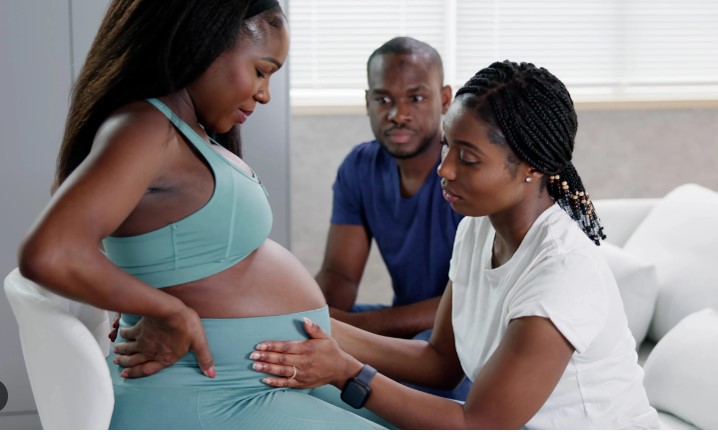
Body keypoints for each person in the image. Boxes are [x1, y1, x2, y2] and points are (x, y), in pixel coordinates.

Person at [18, 0, 388, 429]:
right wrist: (168, 311)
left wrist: (139, 291)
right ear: (204, 44)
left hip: (245, 383)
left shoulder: (187, 132)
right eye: (261, 70)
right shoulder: (146, 128)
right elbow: (50, 252)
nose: (264, 93)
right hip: (207, 394)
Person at [250, 60, 660, 429]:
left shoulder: (562, 274)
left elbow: (477, 424)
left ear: (532, 167)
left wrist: (346, 372)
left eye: (468, 158)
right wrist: (312, 325)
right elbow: (440, 362)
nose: (443, 169)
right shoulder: (477, 229)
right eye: (447, 147)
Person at [317, 37, 460, 341]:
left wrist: (355, 328)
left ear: (445, 99)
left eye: (416, 98)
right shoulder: (359, 167)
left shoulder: (466, 170)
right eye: (383, 99)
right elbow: (340, 275)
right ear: (367, 101)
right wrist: (314, 317)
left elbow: (473, 302)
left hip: (462, 330)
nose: (398, 114)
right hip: (407, 322)